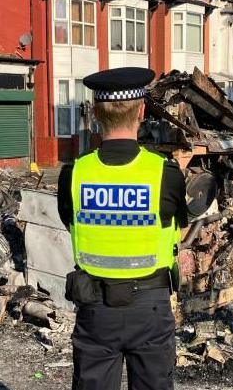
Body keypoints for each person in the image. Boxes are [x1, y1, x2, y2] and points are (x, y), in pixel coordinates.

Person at [57, 67, 188, 390]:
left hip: (95, 309)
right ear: (142, 111)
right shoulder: (166, 174)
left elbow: (69, 222)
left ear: (97, 114)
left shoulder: (74, 174)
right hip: (151, 308)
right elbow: (177, 231)